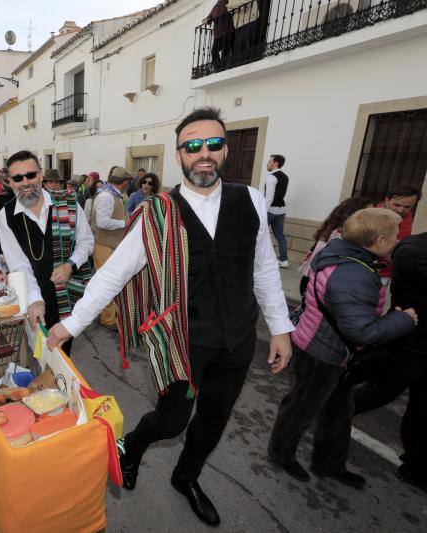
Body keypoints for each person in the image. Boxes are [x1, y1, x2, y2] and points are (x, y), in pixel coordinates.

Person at [47, 107, 293, 527]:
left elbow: (264, 269)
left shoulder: (250, 199)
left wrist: (281, 328)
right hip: (182, 341)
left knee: (215, 418)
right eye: (192, 145)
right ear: (178, 155)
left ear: (225, 151)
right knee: (172, 420)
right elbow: (113, 275)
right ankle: (133, 445)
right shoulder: (157, 212)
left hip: (237, 339)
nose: (204, 153)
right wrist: (70, 324)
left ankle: (187, 477)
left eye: (213, 144)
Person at [268, 208, 416, 489]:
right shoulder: (353, 273)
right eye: (395, 236)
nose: (398, 240)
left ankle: (329, 464)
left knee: (338, 412)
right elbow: (360, 330)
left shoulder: (348, 257)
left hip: (331, 352)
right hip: (319, 354)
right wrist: (404, 319)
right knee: (301, 409)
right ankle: (281, 454)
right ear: (378, 240)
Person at [0, 151, 94, 356]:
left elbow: (86, 242)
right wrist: (35, 299)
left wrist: (70, 265)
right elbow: (18, 264)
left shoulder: (68, 203)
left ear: (41, 175)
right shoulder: (5, 216)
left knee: (62, 355)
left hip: (67, 295)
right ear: (10, 182)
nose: (25, 182)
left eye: (30, 175)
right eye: (18, 178)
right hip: (34, 294)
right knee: (39, 354)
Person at [352, 231, 427, 493]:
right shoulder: (412, 249)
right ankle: (329, 414)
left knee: (423, 410)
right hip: (410, 344)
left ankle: (415, 467)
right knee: (379, 392)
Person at [297, 196, 372, 298]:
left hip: (314, 282)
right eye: (368, 214)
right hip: (317, 284)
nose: (373, 218)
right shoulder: (340, 236)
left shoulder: (334, 230)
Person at [90, 167, 132, 330]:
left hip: (112, 245)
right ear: (125, 182)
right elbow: (102, 222)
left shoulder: (113, 194)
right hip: (104, 245)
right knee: (107, 283)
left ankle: (110, 315)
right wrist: (125, 223)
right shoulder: (107, 196)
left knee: (112, 282)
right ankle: (107, 319)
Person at [377, 184, 421, 280]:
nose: (401, 210)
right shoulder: (369, 215)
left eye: (407, 207)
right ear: (386, 200)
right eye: (396, 205)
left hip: (390, 272)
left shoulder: (407, 215)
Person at [264, 154, 290, 267]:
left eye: (270, 161)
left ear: (276, 163)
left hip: (270, 210)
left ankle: (256, 258)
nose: (267, 163)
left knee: (257, 234)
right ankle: (284, 260)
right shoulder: (285, 177)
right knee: (280, 235)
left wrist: (262, 212)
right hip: (281, 210)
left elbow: (269, 197)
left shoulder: (271, 177)